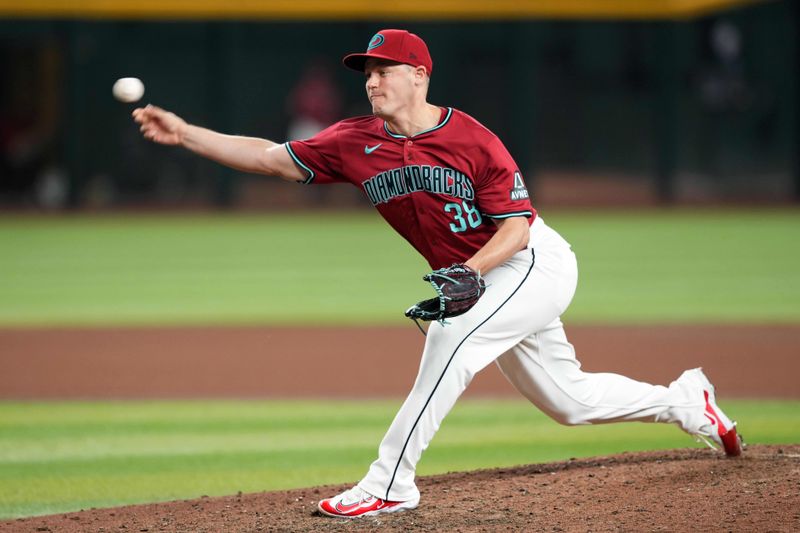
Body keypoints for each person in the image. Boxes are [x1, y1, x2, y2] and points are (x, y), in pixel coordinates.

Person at [133, 29, 743, 519]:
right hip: (484, 278)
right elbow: (270, 157)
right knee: (569, 401)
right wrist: (186, 133)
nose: (371, 81)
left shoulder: (471, 139)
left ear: (419, 75)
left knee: (453, 337)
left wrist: (471, 274)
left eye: (383, 70)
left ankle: (390, 482)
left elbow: (517, 228)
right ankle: (687, 403)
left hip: (531, 263)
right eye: (366, 72)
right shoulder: (355, 140)